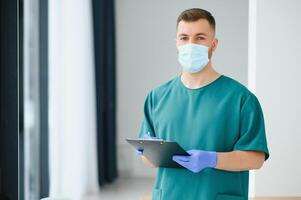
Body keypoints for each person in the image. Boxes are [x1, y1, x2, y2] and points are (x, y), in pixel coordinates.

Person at [137, 8, 269, 200]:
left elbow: (256, 159)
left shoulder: (241, 98)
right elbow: (147, 160)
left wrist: (212, 159)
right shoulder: (156, 97)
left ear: (213, 44)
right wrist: (150, 152)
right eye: (184, 38)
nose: (190, 44)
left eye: (200, 38)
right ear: (176, 43)